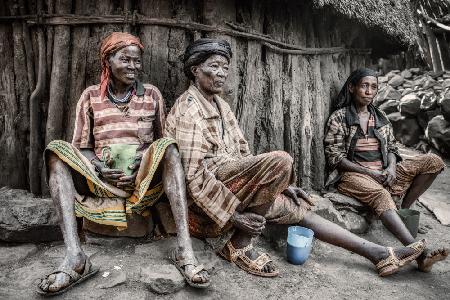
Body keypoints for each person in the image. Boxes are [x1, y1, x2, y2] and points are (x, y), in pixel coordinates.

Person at [164, 38, 427, 278]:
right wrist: (234, 216)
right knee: (281, 161)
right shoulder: (189, 110)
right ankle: (238, 245)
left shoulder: (221, 105)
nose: (222, 73)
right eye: (214, 66)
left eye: (225, 67)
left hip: (235, 189)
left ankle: (378, 254)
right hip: (206, 208)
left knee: (300, 209)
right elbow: (192, 177)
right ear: (195, 70)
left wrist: (280, 185)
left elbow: (243, 154)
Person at [37, 32, 209, 296]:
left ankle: (185, 250)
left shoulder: (151, 95)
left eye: (137, 61)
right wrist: (100, 168)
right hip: (101, 180)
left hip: (142, 184)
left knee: (170, 148)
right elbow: (82, 147)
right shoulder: (91, 96)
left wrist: (142, 166)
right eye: (125, 59)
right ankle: (75, 256)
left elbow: (160, 145)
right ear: (108, 60)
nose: (133, 66)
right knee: (56, 152)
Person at [324, 68, 448, 273]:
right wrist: (370, 173)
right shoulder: (340, 118)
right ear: (352, 87)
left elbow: (391, 148)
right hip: (352, 176)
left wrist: (391, 167)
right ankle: (418, 252)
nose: (369, 91)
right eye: (364, 86)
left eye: (373, 87)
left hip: (383, 173)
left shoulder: (380, 117)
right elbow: (335, 158)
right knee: (381, 195)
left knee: (433, 161)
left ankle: (402, 212)